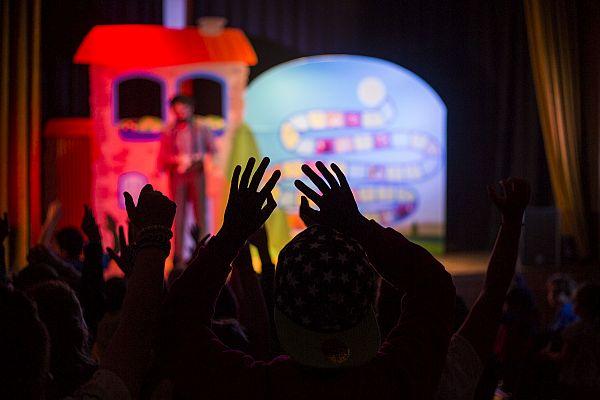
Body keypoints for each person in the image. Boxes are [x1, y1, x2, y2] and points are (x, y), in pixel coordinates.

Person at [159, 158, 455, 399]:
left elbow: (177, 324)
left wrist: (231, 236)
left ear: (281, 310)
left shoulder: (252, 389)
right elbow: (433, 285)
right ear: (367, 309)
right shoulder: (393, 384)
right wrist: (357, 227)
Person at [157, 94, 215, 261]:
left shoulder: (201, 128)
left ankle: (204, 252)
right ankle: (178, 256)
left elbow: (212, 150)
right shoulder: (170, 130)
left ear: (191, 108)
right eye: (178, 109)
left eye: (184, 108)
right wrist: (176, 160)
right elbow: (163, 155)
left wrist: (199, 159)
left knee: (201, 213)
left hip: (197, 172)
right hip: (178, 175)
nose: (181, 112)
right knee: (178, 214)